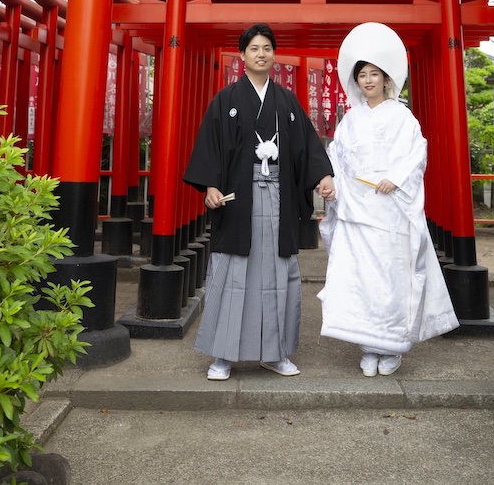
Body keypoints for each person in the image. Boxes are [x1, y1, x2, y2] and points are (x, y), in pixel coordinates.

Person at [184, 23, 334, 380]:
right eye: (254, 48)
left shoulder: (286, 101)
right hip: (238, 198)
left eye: (267, 47)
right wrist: (209, 187)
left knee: (276, 275)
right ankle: (223, 355)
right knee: (233, 272)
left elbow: (306, 146)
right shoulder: (226, 100)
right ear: (243, 55)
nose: (261, 53)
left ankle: (275, 352)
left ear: (273, 54)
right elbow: (211, 147)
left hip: (278, 198)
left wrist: (322, 175)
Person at [318, 22, 458, 376]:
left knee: (391, 277)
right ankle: (368, 344)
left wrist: (395, 179)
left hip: (391, 209)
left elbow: (417, 154)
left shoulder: (402, 117)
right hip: (356, 208)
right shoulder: (350, 119)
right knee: (361, 278)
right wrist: (330, 182)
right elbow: (337, 156)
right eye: (362, 74)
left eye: (374, 74)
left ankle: (392, 346)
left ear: (386, 78)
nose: (368, 80)